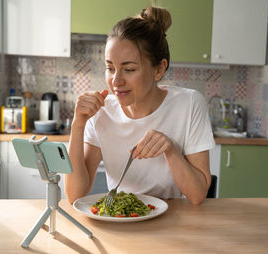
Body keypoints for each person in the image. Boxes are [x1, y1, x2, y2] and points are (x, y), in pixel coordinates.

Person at [65, 6, 215, 205]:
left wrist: (170, 150)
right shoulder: (102, 113)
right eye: (110, 68)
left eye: (129, 69)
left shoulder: (189, 104)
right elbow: (75, 195)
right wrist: (78, 126)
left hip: (172, 221)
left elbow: (197, 195)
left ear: (159, 69)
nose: (116, 81)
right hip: (121, 218)